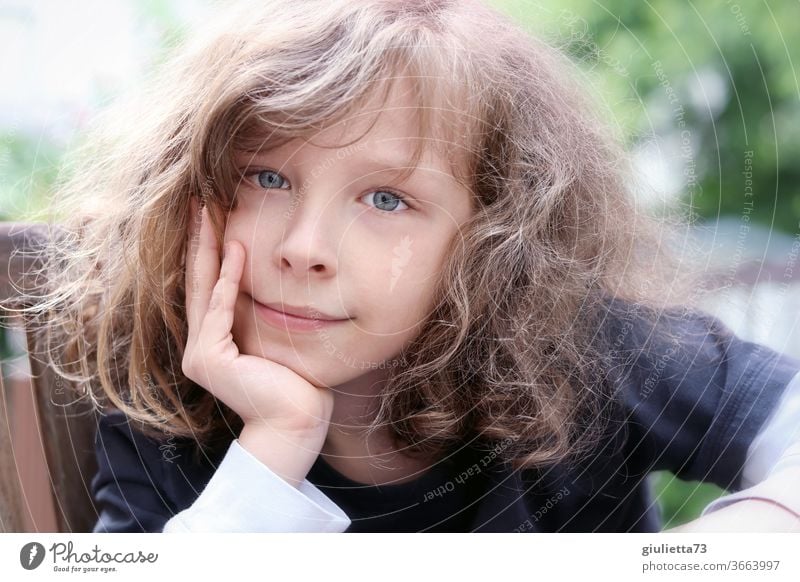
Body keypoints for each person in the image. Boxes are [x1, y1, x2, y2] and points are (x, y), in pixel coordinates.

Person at [5, 0, 800, 533]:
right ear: (194, 189)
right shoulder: (167, 394)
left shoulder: (583, 350)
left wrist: (756, 528)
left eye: (386, 200)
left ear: (493, 241)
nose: (305, 246)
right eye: (268, 178)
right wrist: (276, 442)